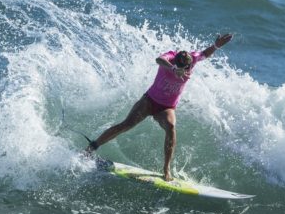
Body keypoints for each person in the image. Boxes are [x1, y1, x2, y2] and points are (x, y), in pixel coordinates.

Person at [85, 33, 233, 181]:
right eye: (180, 66)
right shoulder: (170, 57)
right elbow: (159, 59)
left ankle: (166, 169)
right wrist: (173, 68)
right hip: (149, 101)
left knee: (171, 127)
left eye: (185, 68)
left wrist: (216, 46)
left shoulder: (192, 59)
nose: (183, 71)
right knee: (126, 125)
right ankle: (92, 147)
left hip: (166, 107)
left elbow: (204, 54)